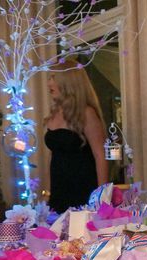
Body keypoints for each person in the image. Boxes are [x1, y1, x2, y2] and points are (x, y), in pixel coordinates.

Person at [44, 60, 108, 213]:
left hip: (82, 187)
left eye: (53, 78)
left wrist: (101, 198)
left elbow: (100, 156)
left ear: (68, 82)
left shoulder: (86, 113)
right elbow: (53, 156)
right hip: (59, 188)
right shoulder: (54, 113)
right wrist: (47, 191)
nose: (49, 83)